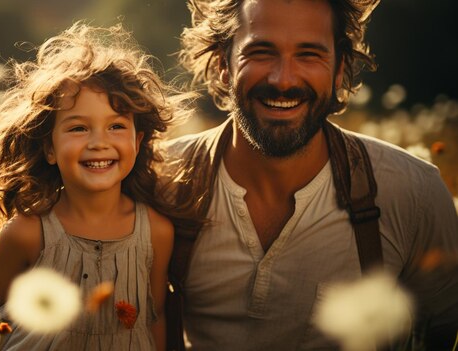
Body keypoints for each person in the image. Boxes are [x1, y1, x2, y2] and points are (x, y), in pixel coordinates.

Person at [160, 0, 458, 350]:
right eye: (260, 52)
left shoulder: (414, 193)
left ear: (339, 68)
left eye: (309, 54)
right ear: (224, 65)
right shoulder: (159, 179)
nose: (283, 79)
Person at [0, 22, 194, 350]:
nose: (98, 143)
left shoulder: (156, 232)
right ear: (49, 148)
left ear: (138, 140)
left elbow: (155, 315)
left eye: (116, 126)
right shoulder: (27, 233)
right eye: (78, 129)